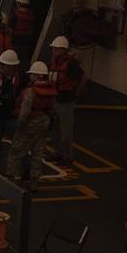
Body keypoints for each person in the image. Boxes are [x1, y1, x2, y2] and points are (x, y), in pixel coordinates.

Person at [5, 61, 56, 191]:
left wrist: (19, 126)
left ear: (37, 76)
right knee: (38, 154)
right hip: (43, 124)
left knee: (16, 151)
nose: (30, 77)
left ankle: (11, 180)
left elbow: (24, 112)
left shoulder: (30, 92)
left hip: (29, 125)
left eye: (32, 74)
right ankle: (34, 182)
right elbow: (52, 110)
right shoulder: (50, 91)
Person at [47, 35, 87, 165]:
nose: (54, 51)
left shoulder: (71, 64)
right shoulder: (55, 62)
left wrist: (77, 92)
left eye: (56, 49)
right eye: (53, 49)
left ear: (63, 50)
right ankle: (57, 152)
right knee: (54, 129)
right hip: (55, 99)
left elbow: (83, 77)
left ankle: (67, 155)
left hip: (66, 100)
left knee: (66, 130)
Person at [0, 49, 22, 172]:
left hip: (12, 118)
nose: (3, 67)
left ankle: (26, 167)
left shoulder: (20, 79)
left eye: (5, 65)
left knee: (19, 145)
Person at [8, 0, 36, 64]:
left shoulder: (15, 16)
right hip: (26, 45)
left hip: (15, 44)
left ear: (19, 4)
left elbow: (10, 31)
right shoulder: (31, 16)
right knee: (22, 63)